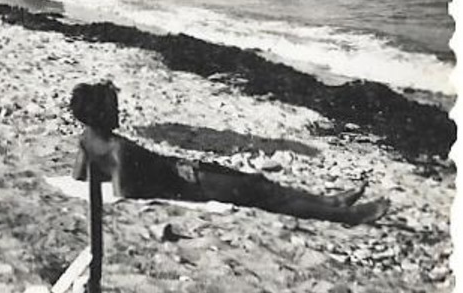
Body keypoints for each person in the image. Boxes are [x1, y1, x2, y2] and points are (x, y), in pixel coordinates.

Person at [69, 81, 385, 224]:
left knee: (262, 185)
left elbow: (79, 176)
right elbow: (128, 193)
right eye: (113, 108)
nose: (119, 113)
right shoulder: (119, 148)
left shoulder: (88, 140)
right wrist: (172, 186)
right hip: (194, 182)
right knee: (266, 192)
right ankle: (347, 215)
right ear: (100, 115)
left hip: (188, 172)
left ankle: (330, 201)